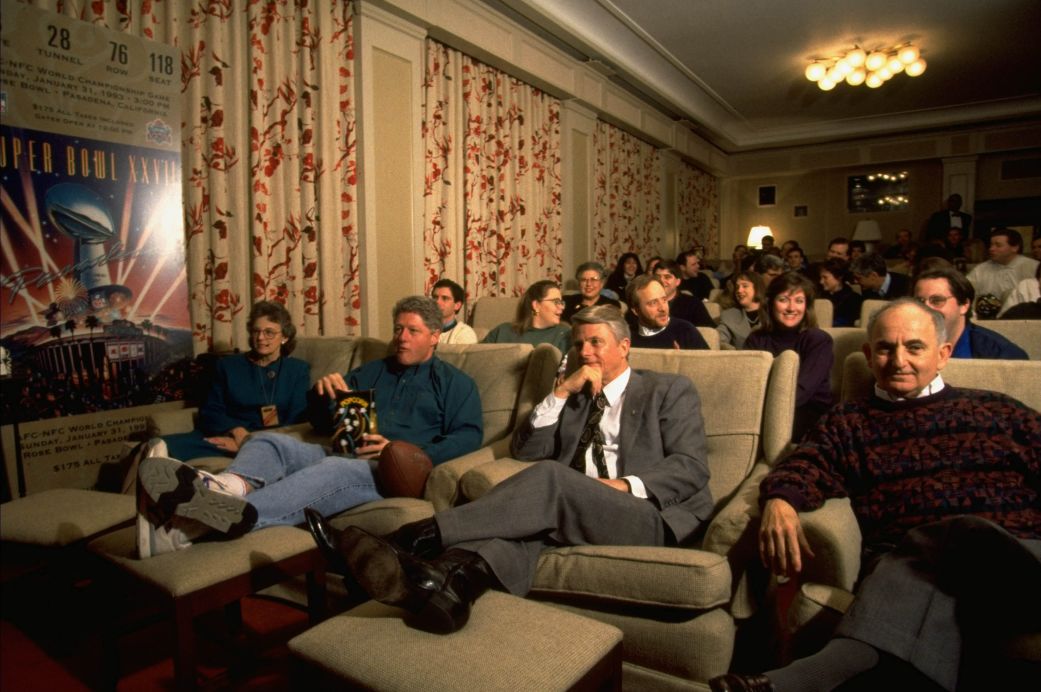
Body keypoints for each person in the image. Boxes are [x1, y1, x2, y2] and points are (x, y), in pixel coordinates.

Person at [305, 305, 713, 634]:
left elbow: (690, 466)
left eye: (596, 342)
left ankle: (405, 540)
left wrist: (620, 486)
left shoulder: (667, 389)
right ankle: (450, 591)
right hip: (570, 510)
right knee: (511, 532)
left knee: (552, 478)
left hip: (645, 514)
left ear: (624, 346)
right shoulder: (575, 396)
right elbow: (526, 449)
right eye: (578, 343)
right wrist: (560, 392)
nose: (585, 352)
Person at [710, 299, 1041, 692]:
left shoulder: (998, 411)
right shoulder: (848, 422)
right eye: (885, 348)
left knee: (959, 532)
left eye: (914, 347)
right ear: (868, 355)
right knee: (924, 561)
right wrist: (781, 500)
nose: (898, 360)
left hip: (1020, 562)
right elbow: (806, 464)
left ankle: (808, 679)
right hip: (909, 573)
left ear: (943, 354)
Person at [135, 296, 483, 557]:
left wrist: (405, 451)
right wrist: (322, 395)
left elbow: (469, 434)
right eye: (397, 329)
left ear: (434, 336)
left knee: (335, 468)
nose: (401, 337)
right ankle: (227, 487)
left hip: (391, 471)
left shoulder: (455, 383)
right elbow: (320, 420)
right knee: (268, 441)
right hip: (346, 451)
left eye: (412, 331)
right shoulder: (374, 371)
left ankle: (199, 523)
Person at [161, 301, 311, 461]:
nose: (260, 337)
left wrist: (250, 442)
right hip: (229, 434)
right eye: (256, 331)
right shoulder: (228, 366)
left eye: (269, 332)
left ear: (284, 337)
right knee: (162, 445)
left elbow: (296, 419)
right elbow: (211, 410)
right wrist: (236, 431)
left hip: (272, 442)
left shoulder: (298, 370)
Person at [744, 273, 833, 441]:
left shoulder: (818, 340)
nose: (791, 308)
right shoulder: (756, 339)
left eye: (799, 301)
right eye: (783, 300)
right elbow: (747, 385)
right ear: (770, 303)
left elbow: (802, 392)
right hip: (761, 412)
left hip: (808, 415)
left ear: (806, 307)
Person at [913, 267, 1028, 359]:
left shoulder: (1000, 354)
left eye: (937, 300)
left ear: (964, 305)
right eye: (919, 301)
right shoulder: (905, 346)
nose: (925, 308)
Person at [966, 228, 1040, 318]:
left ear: (1015, 248)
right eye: (991, 245)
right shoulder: (980, 270)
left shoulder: (1033, 266)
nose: (991, 249)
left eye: (998, 245)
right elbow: (966, 290)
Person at [482, 280, 571, 353]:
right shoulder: (501, 331)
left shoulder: (566, 334)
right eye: (556, 302)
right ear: (536, 305)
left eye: (561, 302)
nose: (562, 307)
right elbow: (477, 361)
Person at [626, 275, 709, 350]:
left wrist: (681, 360)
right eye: (653, 303)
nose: (663, 308)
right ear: (636, 310)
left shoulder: (685, 331)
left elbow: (709, 362)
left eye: (664, 300)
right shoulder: (626, 337)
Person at [652, 260, 715, 328]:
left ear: (678, 282)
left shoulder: (692, 304)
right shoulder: (646, 302)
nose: (661, 281)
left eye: (667, 277)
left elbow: (709, 330)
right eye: (657, 277)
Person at [717, 271, 764, 349]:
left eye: (745, 286)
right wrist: (734, 353)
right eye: (737, 287)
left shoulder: (773, 312)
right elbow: (719, 340)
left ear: (757, 288)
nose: (739, 290)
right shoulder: (729, 315)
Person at [817, 258, 863, 327]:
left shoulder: (854, 299)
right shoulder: (820, 296)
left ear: (839, 277)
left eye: (825, 277)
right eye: (821, 278)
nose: (821, 282)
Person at [431, 278, 477, 344]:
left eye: (444, 298)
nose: (437, 302)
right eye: (435, 297)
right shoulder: (423, 330)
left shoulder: (464, 333)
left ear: (457, 305)